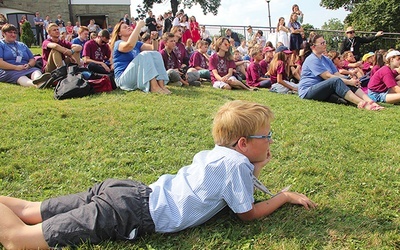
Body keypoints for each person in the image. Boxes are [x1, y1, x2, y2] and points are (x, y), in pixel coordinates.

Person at [0, 100, 316, 249]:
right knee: (20, 240)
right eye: (267, 135)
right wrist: (284, 196)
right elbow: (248, 213)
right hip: (129, 213)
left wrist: (255, 166)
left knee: (30, 210)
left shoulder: (223, 157)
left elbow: (238, 178)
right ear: (244, 144)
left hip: (127, 194)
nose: (271, 139)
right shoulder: (235, 166)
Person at [298, 34, 384, 110]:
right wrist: (349, 81)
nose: (325, 45)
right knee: (336, 81)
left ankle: (370, 101)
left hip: (322, 88)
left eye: (325, 42)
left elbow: (337, 74)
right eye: (322, 43)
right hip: (308, 91)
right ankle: (362, 103)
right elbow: (327, 76)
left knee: (345, 81)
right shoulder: (312, 59)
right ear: (313, 47)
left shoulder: (326, 59)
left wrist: (351, 79)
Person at [110, 20, 170, 94]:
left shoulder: (137, 44)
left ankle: (161, 85)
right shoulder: (118, 43)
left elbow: (154, 48)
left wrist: (154, 39)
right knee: (144, 54)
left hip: (136, 77)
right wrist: (138, 26)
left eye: (128, 26)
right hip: (123, 80)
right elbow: (129, 45)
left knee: (156, 54)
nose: (128, 28)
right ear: (119, 33)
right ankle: (154, 87)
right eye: (125, 27)